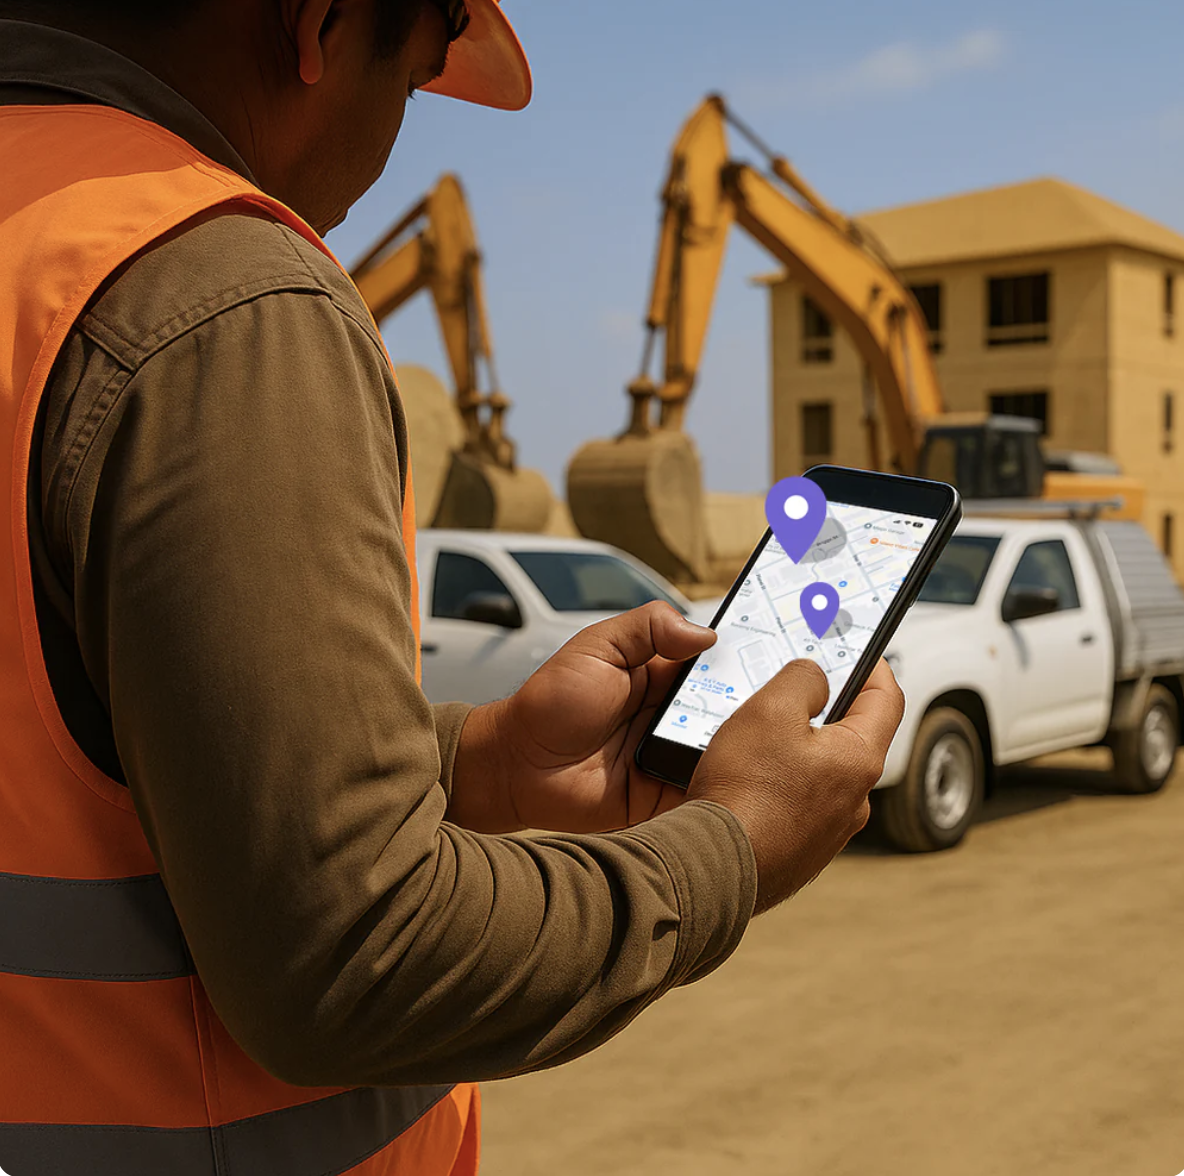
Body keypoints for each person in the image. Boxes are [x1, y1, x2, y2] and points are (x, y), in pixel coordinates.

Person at [0, 1, 905, 1172]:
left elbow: (71, 730)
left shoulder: (41, 253)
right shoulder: (223, 300)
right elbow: (354, 957)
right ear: (321, 25)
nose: (393, 152)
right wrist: (736, 844)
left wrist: (479, 758)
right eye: (419, 80)